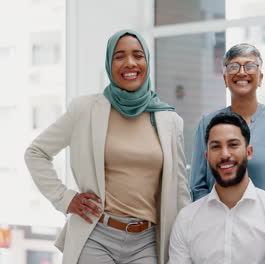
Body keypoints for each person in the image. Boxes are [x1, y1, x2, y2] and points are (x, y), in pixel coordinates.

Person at [24, 29, 190, 264]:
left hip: (147, 242)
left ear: (147, 62)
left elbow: (180, 190)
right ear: (109, 64)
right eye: (119, 56)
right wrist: (64, 198)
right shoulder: (84, 109)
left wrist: (187, 247)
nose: (129, 63)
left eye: (137, 55)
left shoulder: (169, 120)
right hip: (96, 236)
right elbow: (36, 152)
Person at [169, 112, 265, 264]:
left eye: (233, 145)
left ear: (249, 152)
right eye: (216, 147)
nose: (225, 154)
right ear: (207, 156)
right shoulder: (187, 219)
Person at [190, 43, 265, 201]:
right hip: (218, 220)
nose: (242, 72)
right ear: (225, 79)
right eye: (234, 66)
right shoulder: (207, 123)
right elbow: (197, 186)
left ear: (260, 78)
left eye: (249, 66)